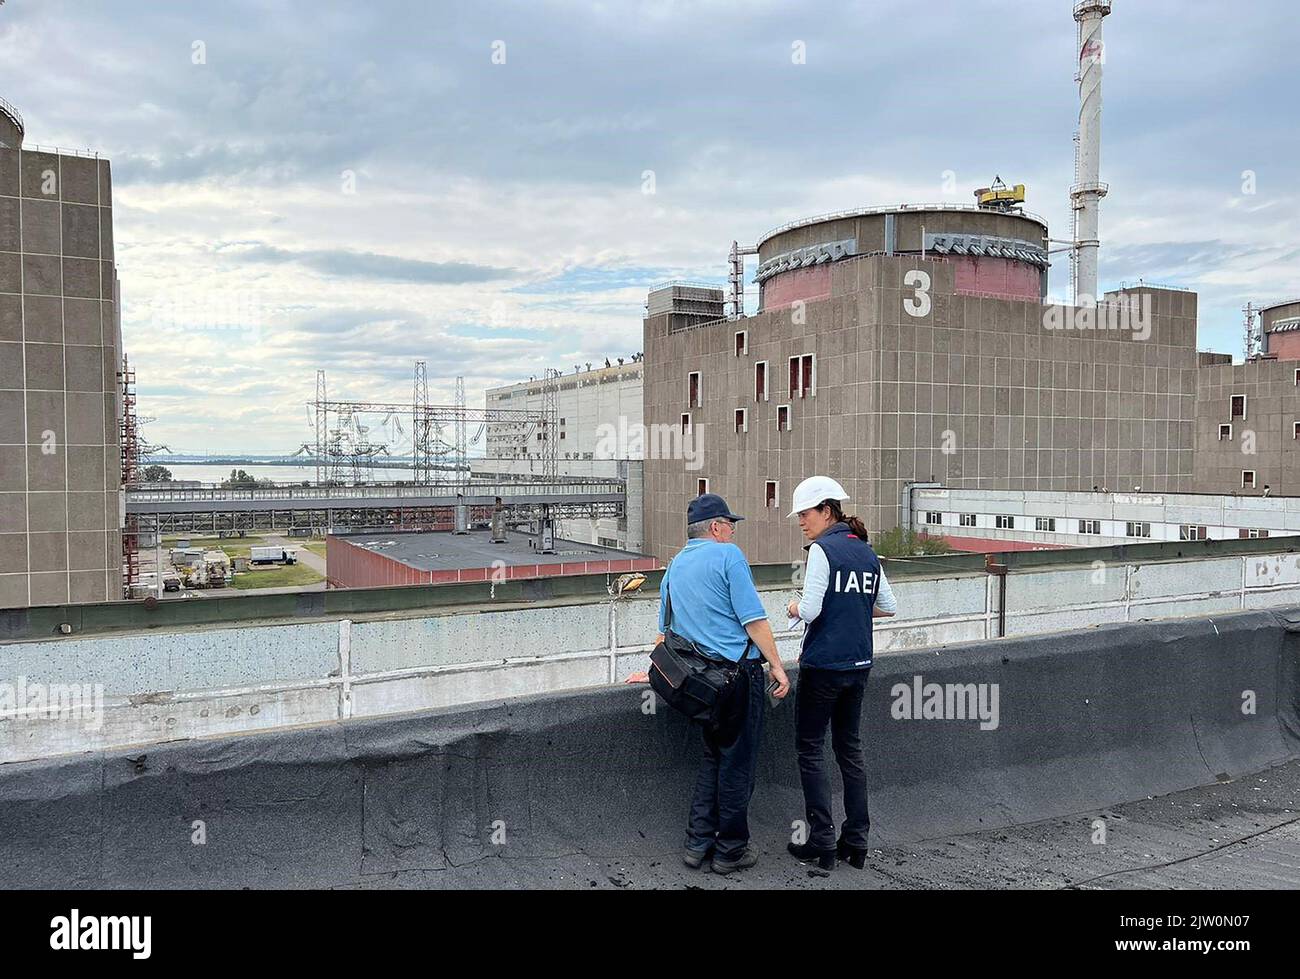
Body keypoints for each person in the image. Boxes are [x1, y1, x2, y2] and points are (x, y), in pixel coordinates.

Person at [656, 492, 790, 874]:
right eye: (730, 525)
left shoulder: (675, 564)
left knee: (713, 757)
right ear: (716, 527)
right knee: (737, 765)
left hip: (699, 683)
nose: (732, 532)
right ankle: (730, 850)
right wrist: (777, 667)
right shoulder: (729, 556)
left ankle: (697, 844)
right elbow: (754, 620)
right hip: (738, 677)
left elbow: (665, 630)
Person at [784, 476, 895, 872]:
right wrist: (853, 608)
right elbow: (889, 605)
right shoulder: (865, 552)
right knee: (850, 750)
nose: (801, 521)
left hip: (824, 666)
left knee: (811, 749)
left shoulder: (822, 551)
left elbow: (811, 609)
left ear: (827, 511)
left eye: (805, 514)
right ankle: (857, 842)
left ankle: (822, 841)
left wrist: (793, 608)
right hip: (859, 665)